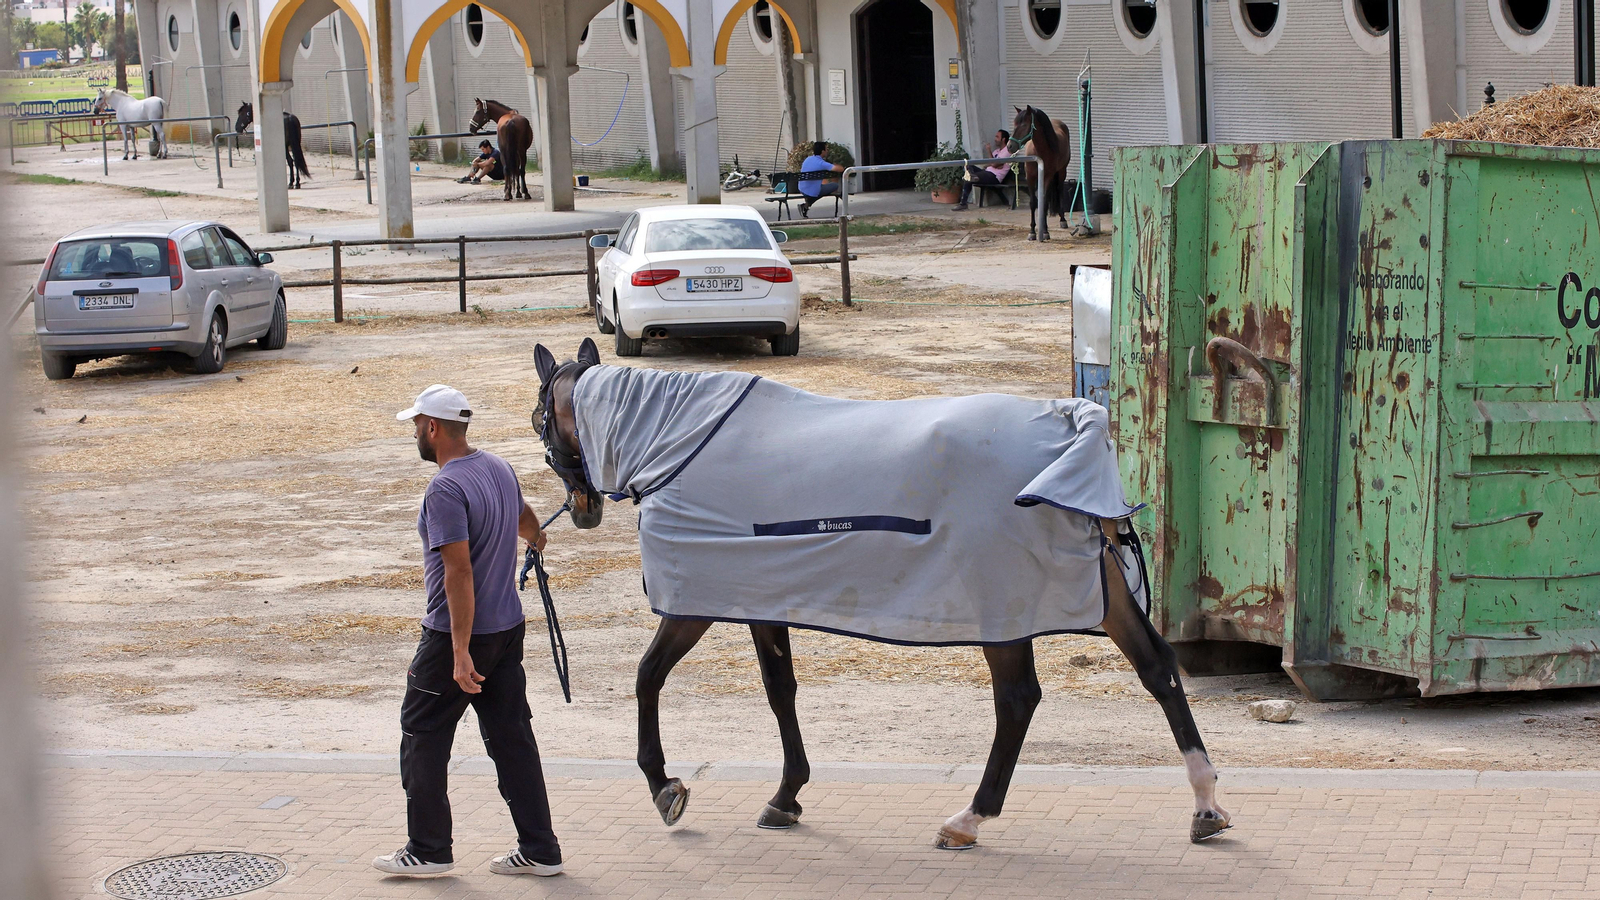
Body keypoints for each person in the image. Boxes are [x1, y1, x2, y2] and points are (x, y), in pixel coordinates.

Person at [374, 384, 563, 878]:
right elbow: (524, 517)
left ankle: (429, 848)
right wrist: (536, 534)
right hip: (507, 628)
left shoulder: (444, 489)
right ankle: (541, 849)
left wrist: (458, 652)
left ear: (433, 428)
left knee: (422, 733)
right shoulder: (497, 466)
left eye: (417, 424)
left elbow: (458, 572)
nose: (415, 431)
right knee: (511, 738)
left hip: (455, 636)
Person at [955, 129, 1014, 211]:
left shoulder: (1007, 152)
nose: (995, 139)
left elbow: (994, 164)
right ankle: (972, 176)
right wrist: (992, 164)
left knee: (969, 177)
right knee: (968, 165)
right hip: (987, 173)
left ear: (1003, 139)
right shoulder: (997, 151)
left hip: (994, 177)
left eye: (997, 137)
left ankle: (963, 203)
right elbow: (991, 164)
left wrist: (989, 153)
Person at [799, 141, 845, 218]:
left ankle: (806, 205)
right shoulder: (821, 163)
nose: (827, 151)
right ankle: (844, 202)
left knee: (820, 188)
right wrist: (839, 165)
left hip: (802, 188)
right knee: (834, 185)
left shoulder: (808, 159)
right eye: (826, 149)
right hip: (812, 191)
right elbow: (840, 169)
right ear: (822, 151)